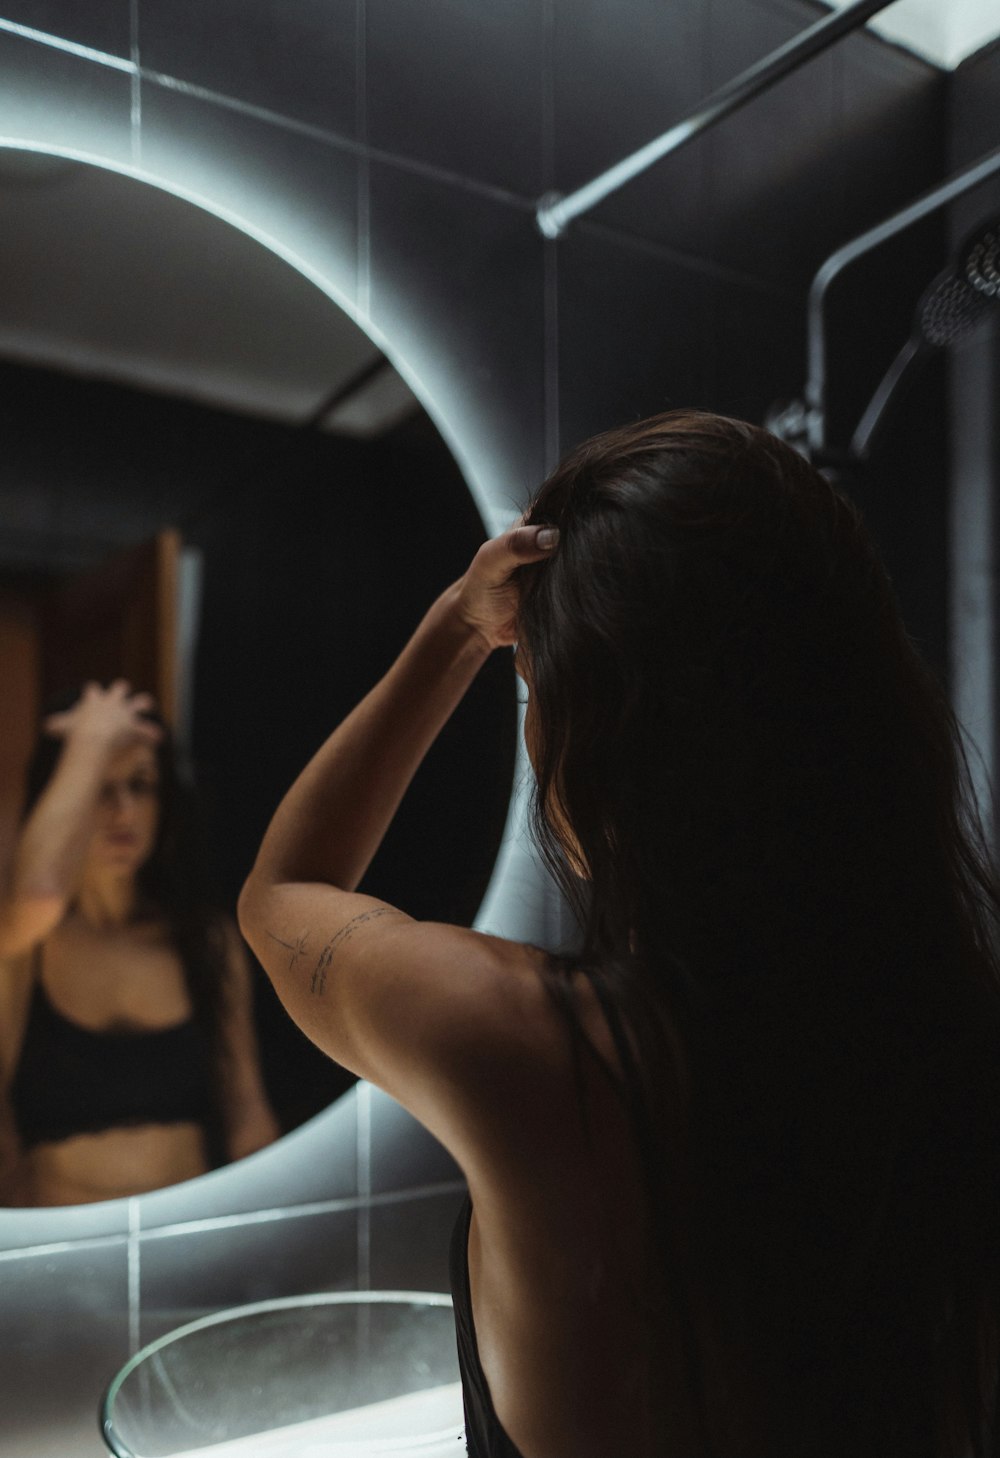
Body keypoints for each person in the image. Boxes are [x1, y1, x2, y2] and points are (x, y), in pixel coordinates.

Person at [238, 410, 1000, 1458]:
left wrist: (461, 627)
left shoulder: (525, 1050)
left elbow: (285, 889)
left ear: (595, 734)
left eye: (534, 695)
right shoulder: (955, 1041)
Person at [0, 681, 278, 1206]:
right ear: (63, 795)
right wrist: (89, 742)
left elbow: (248, 1116)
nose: (122, 811)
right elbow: (35, 895)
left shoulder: (205, 939)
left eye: (141, 785)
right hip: (60, 1253)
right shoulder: (22, 946)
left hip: (186, 1240)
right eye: (99, 788)